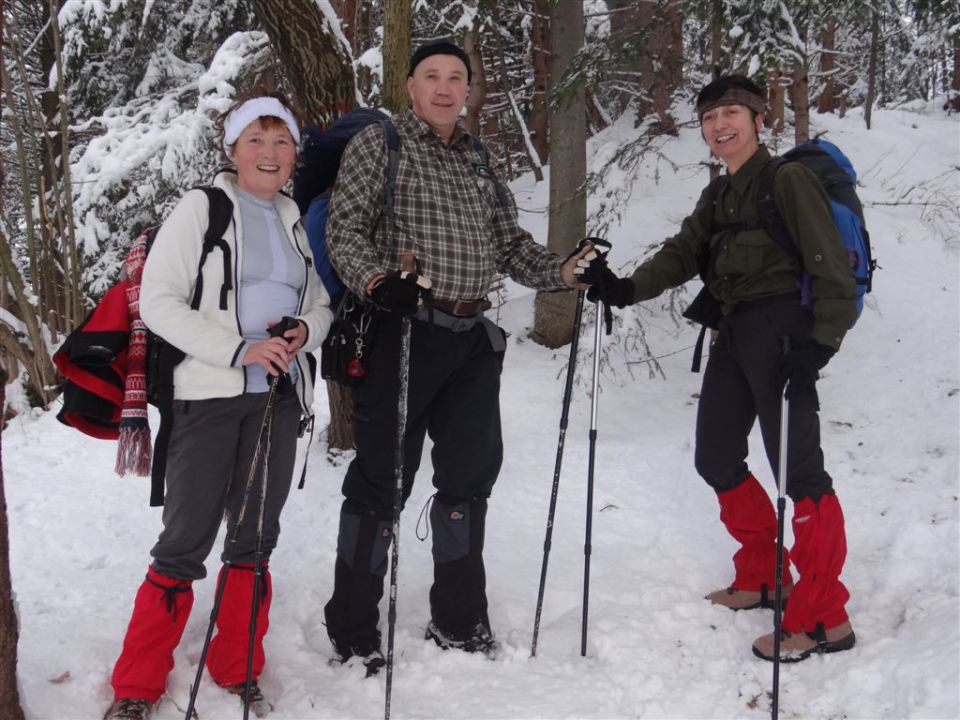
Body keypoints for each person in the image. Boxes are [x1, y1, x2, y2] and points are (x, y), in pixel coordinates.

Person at [322, 39, 589, 672]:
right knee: (383, 481)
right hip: (402, 332)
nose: (445, 88)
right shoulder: (381, 146)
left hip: (471, 341)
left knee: (469, 479)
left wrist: (567, 272)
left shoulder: (478, 158)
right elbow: (344, 231)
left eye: (456, 78)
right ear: (410, 88)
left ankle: (459, 618)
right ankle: (353, 626)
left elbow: (510, 245)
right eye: (432, 77)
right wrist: (376, 281)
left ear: (468, 90)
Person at [580, 74, 857, 662]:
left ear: (759, 120)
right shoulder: (719, 194)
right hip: (735, 332)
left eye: (732, 112)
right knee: (716, 457)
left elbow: (830, 264)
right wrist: (626, 288)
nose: (719, 125)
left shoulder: (790, 180)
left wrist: (821, 345)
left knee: (800, 476)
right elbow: (684, 252)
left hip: (783, 334)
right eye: (709, 117)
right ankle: (764, 575)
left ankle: (824, 616)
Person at [103, 88, 332, 719]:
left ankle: (237, 667)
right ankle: (137, 684)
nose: (269, 151)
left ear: (294, 154)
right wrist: (238, 350)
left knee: (254, 540)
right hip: (206, 400)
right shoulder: (202, 208)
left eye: (281, 140)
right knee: (184, 541)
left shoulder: (294, 217)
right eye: (255, 139)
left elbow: (320, 305)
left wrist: (303, 333)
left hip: (277, 404)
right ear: (232, 148)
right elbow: (159, 301)